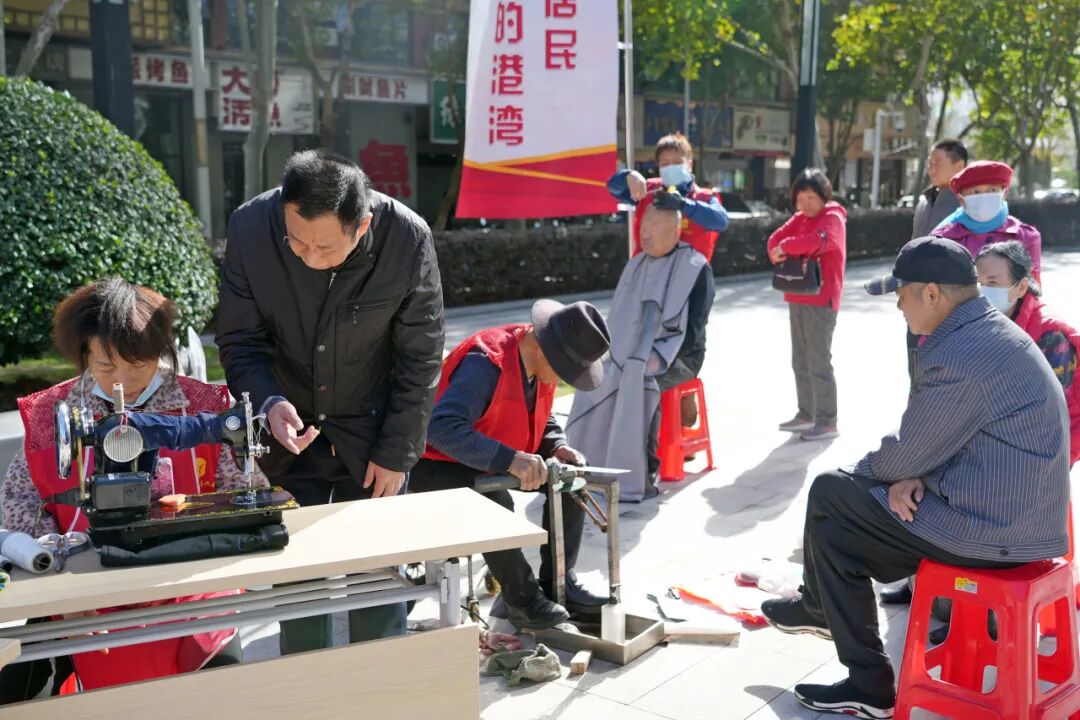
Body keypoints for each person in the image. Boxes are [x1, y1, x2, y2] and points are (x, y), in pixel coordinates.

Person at [761, 237, 1070, 719]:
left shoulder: (964, 351)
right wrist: (910, 472)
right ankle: (838, 637)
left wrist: (889, 474)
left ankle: (834, 631)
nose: (898, 306)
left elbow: (906, 450)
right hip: (1010, 514)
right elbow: (937, 439)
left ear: (931, 293)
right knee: (837, 533)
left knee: (831, 491)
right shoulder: (989, 331)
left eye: (901, 294)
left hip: (994, 529)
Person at [216, 149, 444, 654]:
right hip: (289, 435)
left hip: (375, 432)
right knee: (298, 588)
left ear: (361, 226)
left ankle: (377, 685)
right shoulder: (252, 228)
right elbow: (239, 340)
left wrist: (397, 452)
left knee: (377, 584)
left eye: (324, 248)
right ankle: (306, 687)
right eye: (295, 241)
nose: (308, 257)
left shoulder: (406, 238)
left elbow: (421, 357)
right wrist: (268, 402)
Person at [1, 278, 259, 701]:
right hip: (85, 593)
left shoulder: (203, 405)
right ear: (84, 355)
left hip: (191, 587)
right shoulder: (52, 413)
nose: (123, 380)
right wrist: (60, 591)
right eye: (105, 366)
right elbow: (22, 502)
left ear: (160, 351)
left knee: (214, 689)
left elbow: (241, 491)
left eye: (138, 363)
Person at [409, 300, 611, 630]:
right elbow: (442, 428)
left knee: (570, 480)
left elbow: (540, 415)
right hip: (433, 462)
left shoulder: (540, 363)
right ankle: (523, 601)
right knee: (493, 501)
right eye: (566, 369)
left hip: (487, 455)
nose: (565, 378)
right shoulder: (486, 362)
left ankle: (559, 584)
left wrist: (556, 445)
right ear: (546, 350)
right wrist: (510, 459)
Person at [565, 205, 714, 502]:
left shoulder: (695, 268)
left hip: (680, 357)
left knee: (643, 383)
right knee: (595, 375)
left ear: (675, 231)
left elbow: (692, 333)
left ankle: (643, 473)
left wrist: (654, 356)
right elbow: (619, 318)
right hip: (630, 350)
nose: (645, 232)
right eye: (644, 225)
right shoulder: (637, 264)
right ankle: (587, 461)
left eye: (654, 226)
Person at [976, 241, 1079, 465]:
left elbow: (1050, 415)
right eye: (978, 283)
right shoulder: (985, 321)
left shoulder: (1051, 336)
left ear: (1021, 287)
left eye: (992, 283)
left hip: (1045, 456)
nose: (983, 291)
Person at [768, 169, 848, 441]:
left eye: (812, 197)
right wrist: (779, 249)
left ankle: (827, 421)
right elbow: (774, 240)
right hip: (798, 294)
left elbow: (819, 241)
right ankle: (806, 414)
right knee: (800, 360)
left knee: (818, 360)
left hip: (822, 299)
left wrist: (786, 247)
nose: (806, 204)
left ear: (824, 195)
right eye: (800, 199)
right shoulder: (799, 218)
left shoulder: (833, 217)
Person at [607, 132, 729, 261]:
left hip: (689, 272)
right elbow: (614, 189)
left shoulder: (704, 197)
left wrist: (683, 205)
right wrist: (627, 176)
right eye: (665, 163)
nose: (671, 167)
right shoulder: (649, 190)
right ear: (658, 166)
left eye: (677, 162)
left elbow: (721, 221)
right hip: (648, 270)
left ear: (690, 165)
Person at [931, 160, 1042, 278]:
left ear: (1004, 194)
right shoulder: (942, 239)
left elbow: (1032, 285)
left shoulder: (1026, 237)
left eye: (992, 190)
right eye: (975, 192)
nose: (984, 197)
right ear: (961, 199)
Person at [911, 139, 968, 239]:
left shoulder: (968, 204)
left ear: (959, 166)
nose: (932, 170)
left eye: (938, 164)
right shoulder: (924, 202)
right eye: (930, 164)